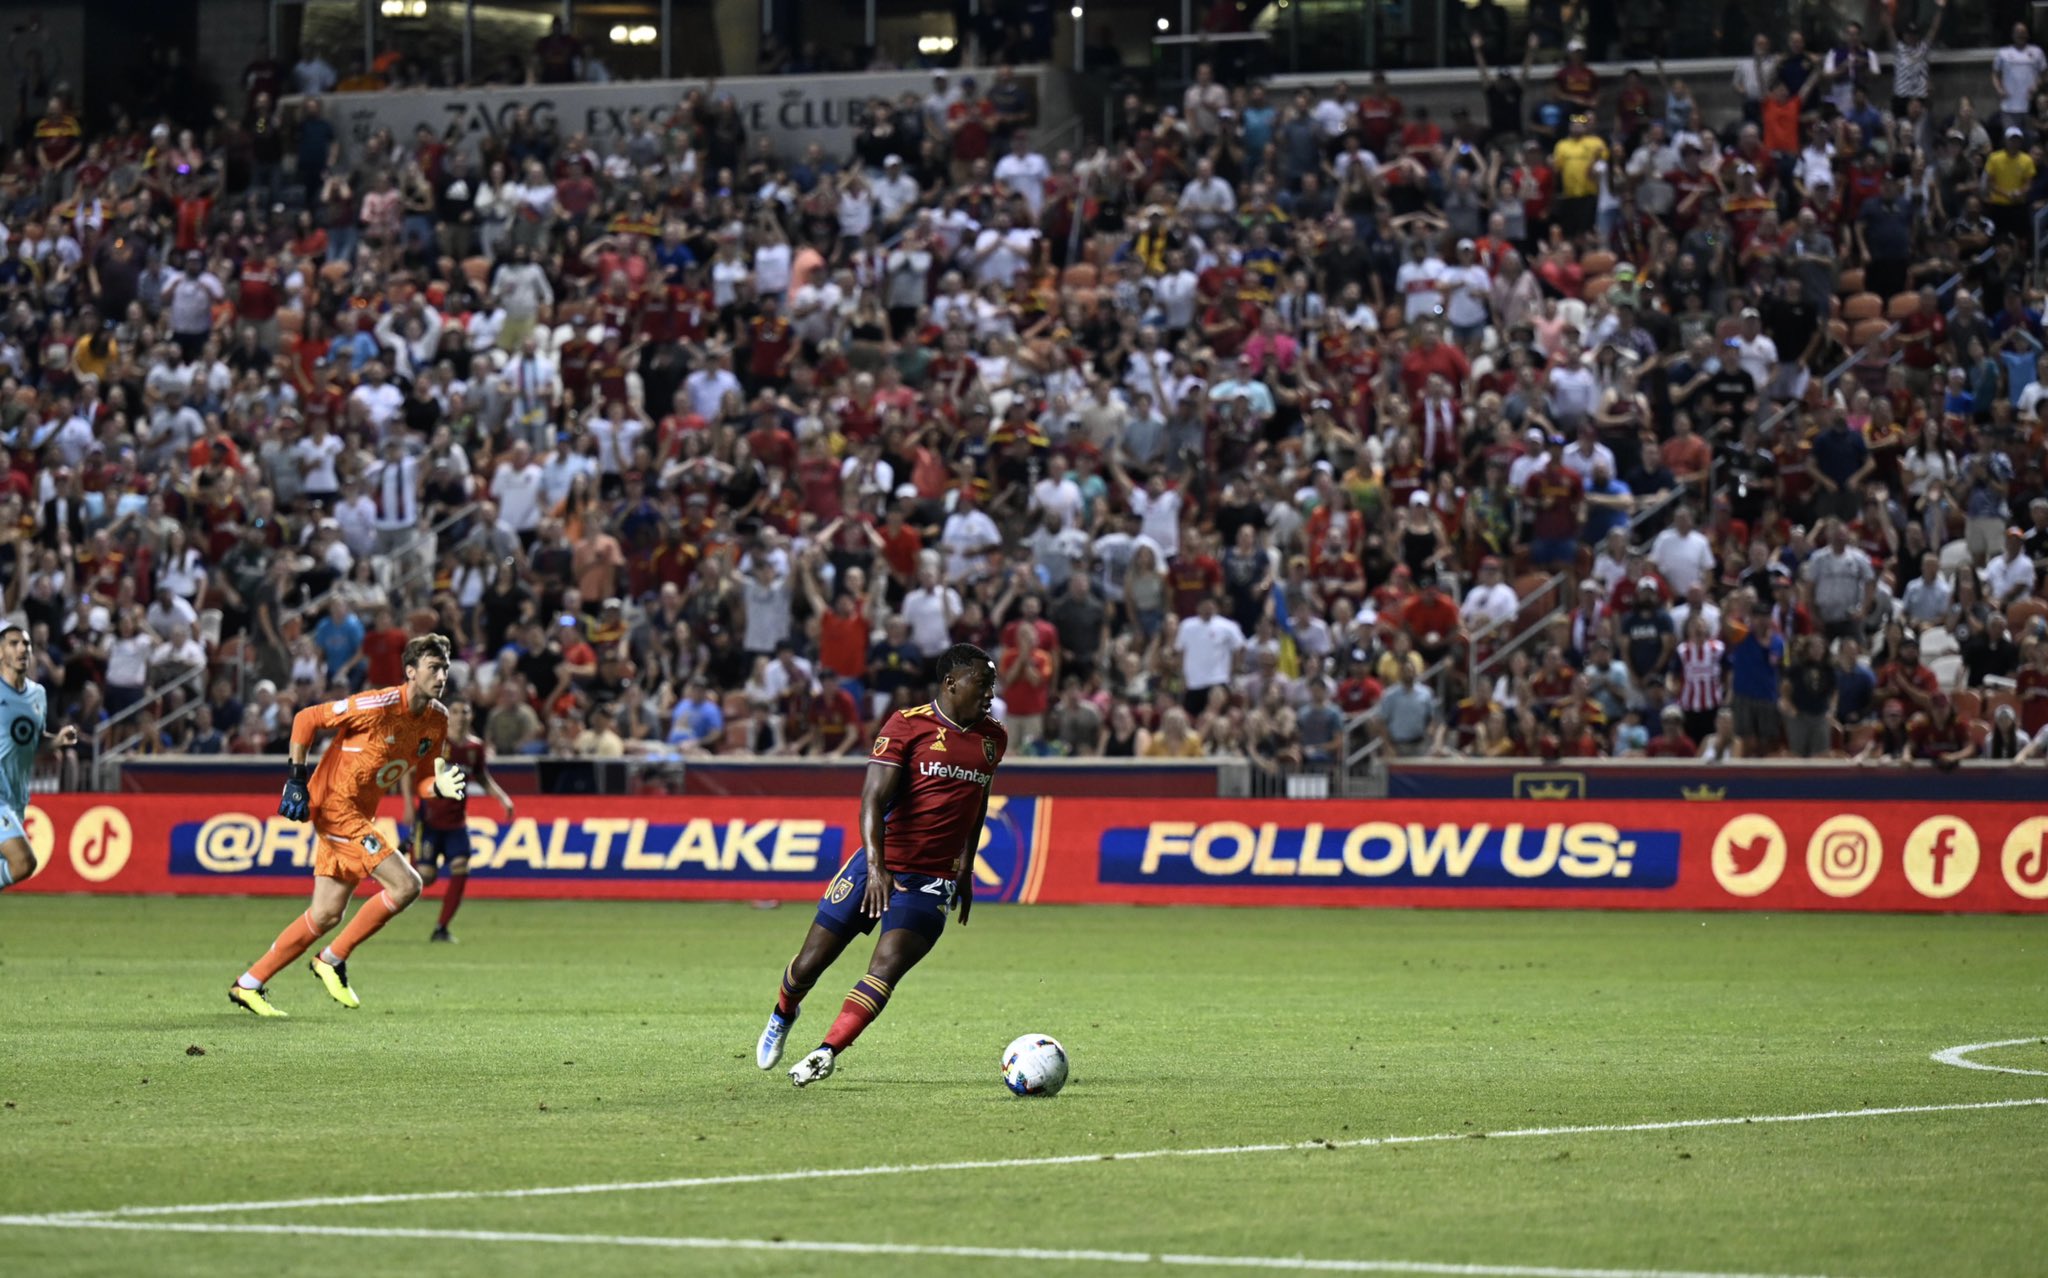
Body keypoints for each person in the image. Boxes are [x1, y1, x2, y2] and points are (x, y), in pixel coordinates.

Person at [758, 644, 1004, 1087]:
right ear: (951, 683)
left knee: (885, 967)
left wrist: (965, 868)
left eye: (992, 686)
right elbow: (871, 798)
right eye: (982, 684)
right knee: (809, 964)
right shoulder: (906, 725)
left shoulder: (993, 737)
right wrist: (875, 868)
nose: (990, 694)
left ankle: (825, 1051)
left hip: (932, 880)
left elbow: (978, 798)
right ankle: (783, 1013)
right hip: (877, 864)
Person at [227, 635, 466, 1017]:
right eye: (433, 668)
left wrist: (436, 785)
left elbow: (421, 776)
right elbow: (307, 718)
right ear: (410, 672)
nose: (441, 675)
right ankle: (331, 959)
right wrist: (295, 779)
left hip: (359, 814)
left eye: (445, 668)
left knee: (326, 914)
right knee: (407, 885)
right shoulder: (377, 705)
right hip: (336, 809)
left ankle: (248, 984)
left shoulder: (437, 719)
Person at [411, 698, 515, 943]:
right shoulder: (435, 741)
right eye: (455, 711)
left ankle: (441, 928)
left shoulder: (475, 748)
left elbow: (482, 777)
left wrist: (503, 799)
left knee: (461, 868)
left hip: (457, 823)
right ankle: (400, 866)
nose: (460, 715)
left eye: (464, 711)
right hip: (430, 821)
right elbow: (411, 771)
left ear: (471, 716)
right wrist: (408, 803)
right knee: (425, 877)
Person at [0, 627, 80, 892]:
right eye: (14, 643)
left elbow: (31, 741)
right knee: (23, 862)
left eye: (26, 643)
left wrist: (57, 740)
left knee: (11, 867)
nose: (22, 648)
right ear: (1, 652)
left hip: (16, 798)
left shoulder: (38, 694)